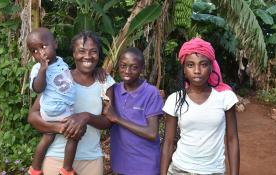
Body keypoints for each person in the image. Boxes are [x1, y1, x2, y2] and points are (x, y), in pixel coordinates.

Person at [28, 31, 115, 175]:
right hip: (56, 158)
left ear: (99, 54)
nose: (87, 56)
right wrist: (60, 128)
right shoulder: (59, 78)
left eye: (93, 51)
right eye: (81, 51)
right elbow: (32, 117)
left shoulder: (104, 81)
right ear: (73, 54)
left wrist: (85, 117)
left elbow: (109, 121)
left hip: (91, 159)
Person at [160, 38, 240, 175]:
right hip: (180, 169)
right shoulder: (175, 100)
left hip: (213, 171)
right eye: (190, 65)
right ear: (184, 69)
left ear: (211, 67)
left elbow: (232, 140)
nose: (197, 70)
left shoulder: (225, 97)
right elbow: (168, 142)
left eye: (203, 64)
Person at [102, 47, 163, 175]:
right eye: (123, 66)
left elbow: (152, 133)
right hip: (121, 163)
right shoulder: (113, 90)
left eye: (134, 67)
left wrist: (118, 119)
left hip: (145, 165)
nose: (127, 71)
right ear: (118, 66)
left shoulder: (151, 93)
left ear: (141, 69)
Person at [26, 27, 78, 175]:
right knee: (75, 135)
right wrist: (43, 69)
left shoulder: (61, 62)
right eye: (34, 51)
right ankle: (67, 169)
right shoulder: (38, 68)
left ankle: (35, 169)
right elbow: (38, 88)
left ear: (55, 44)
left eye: (43, 47)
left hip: (63, 107)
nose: (40, 53)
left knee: (48, 136)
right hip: (56, 108)